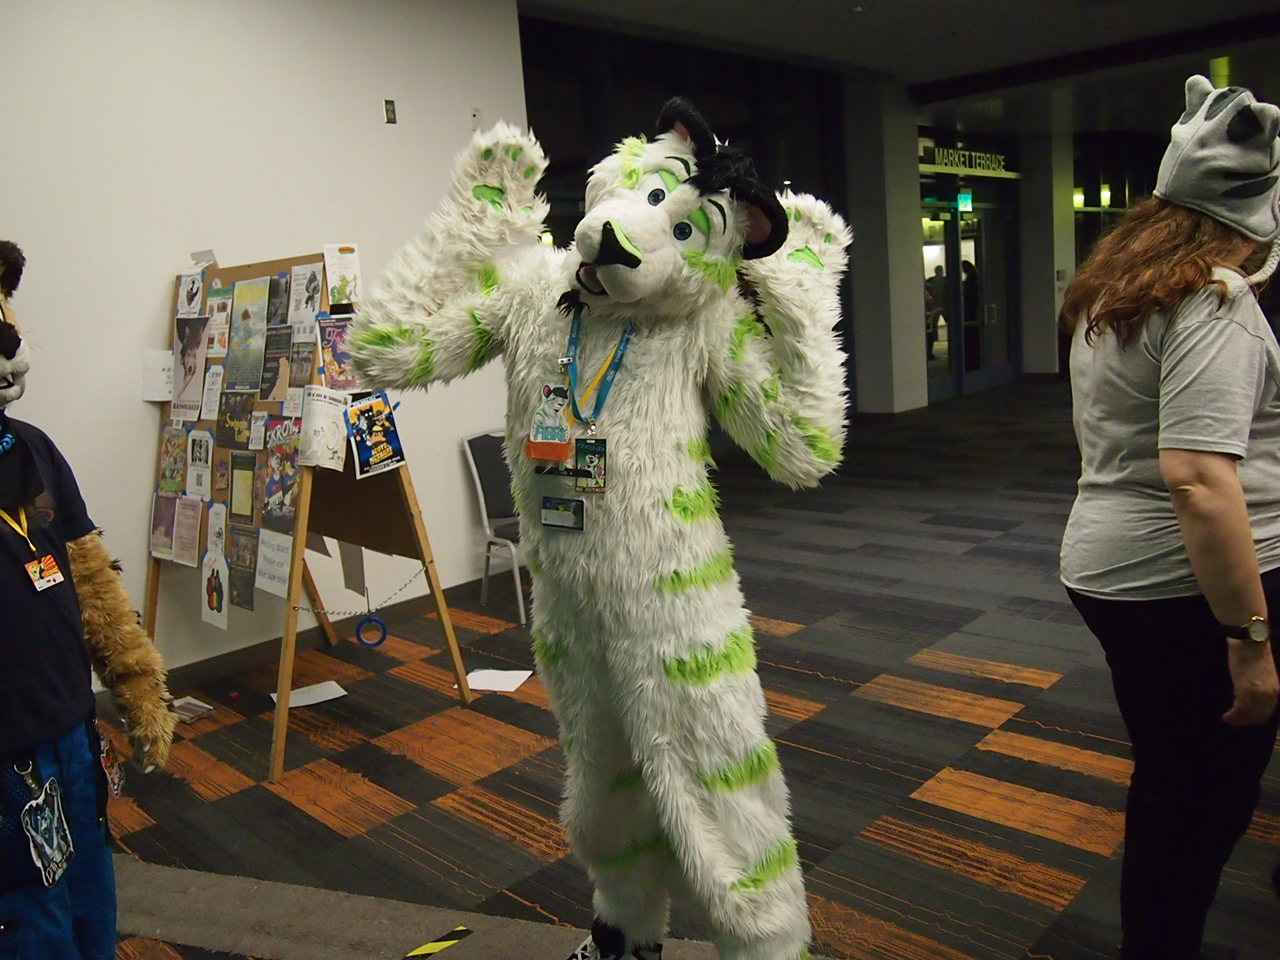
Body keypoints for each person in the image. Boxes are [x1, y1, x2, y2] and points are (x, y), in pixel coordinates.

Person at [1058, 75, 1280, 960]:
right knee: (1201, 802)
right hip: (1190, 588)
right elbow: (1196, 478)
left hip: (1111, 569)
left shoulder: (1113, 289)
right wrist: (1249, 639)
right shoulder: (1215, 299)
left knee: (1172, 776)